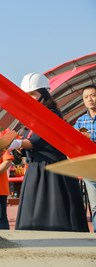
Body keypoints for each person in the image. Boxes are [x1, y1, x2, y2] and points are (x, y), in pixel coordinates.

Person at [7, 72, 89, 232]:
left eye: (33, 94)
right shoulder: (31, 118)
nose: (29, 98)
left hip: (53, 170)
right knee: (34, 211)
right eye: (27, 95)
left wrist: (19, 142)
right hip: (36, 169)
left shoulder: (52, 114)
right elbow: (30, 142)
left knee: (55, 210)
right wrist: (18, 146)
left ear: (44, 94)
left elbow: (39, 140)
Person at [73, 85, 96, 232]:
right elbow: (73, 141)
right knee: (94, 205)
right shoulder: (80, 121)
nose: (90, 99)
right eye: (86, 97)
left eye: (93, 95)